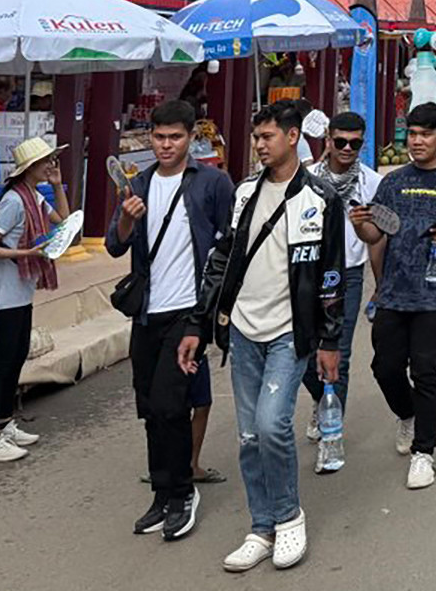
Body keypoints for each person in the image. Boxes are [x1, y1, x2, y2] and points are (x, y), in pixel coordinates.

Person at [179, 102, 343, 573]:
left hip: (291, 332)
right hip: (243, 330)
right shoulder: (244, 191)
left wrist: (329, 341)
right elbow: (222, 257)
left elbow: (330, 275)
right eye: (256, 137)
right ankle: (261, 526)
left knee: (272, 425)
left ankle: (290, 517)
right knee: (250, 435)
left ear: (293, 137)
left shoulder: (321, 197)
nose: (259, 144)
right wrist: (198, 323)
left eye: (268, 136)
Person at [108, 100, 236, 540]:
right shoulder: (137, 184)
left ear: (190, 139)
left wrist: (213, 311)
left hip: (188, 313)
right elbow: (113, 246)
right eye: (159, 138)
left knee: (171, 404)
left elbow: (230, 246)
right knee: (150, 410)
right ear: (150, 138)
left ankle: (183, 492)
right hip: (147, 314)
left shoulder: (213, 183)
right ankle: (161, 494)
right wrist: (126, 221)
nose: (166, 145)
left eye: (175, 138)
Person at [356, 101, 436, 492]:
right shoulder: (392, 182)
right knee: (385, 367)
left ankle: (423, 452)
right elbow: (377, 237)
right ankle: (407, 414)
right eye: (411, 134)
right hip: (394, 293)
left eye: (425, 134)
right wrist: (362, 227)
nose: (416, 141)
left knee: (426, 370)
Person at [0, 136, 68, 464]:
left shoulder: (35, 197)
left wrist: (57, 186)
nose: (51, 166)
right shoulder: (14, 201)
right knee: (0, 362)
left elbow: (65, 225)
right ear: (29, 168)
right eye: (46, 163)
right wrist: (26, 252)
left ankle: (4, 423)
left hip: (22, 288)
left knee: (16, 356)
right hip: (5, 293)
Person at [297, 110, 383, 420]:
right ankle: (323, 401)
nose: (347, 148)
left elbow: (378, 239)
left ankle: (330, 427)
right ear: (328, 140)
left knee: (340, 356)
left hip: (348, 274)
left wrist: (380, 287)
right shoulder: (305, 181)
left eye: (355, 144)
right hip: (307, 272)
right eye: (341, 141)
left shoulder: (372, 183)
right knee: (303, 353)